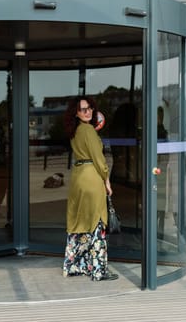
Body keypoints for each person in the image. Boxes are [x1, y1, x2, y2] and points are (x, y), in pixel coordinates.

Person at [62, 96, 118, 281]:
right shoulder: (88, 131)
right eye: (83, 109)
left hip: (78, 178)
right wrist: (107, 180)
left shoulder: (76, 131)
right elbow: (99, 159)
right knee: (97, 223)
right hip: (92, 178)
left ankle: (76, 265)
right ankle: (98, 270)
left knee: (81, 222)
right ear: (76, 113)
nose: (87, 112)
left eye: (89, 108)